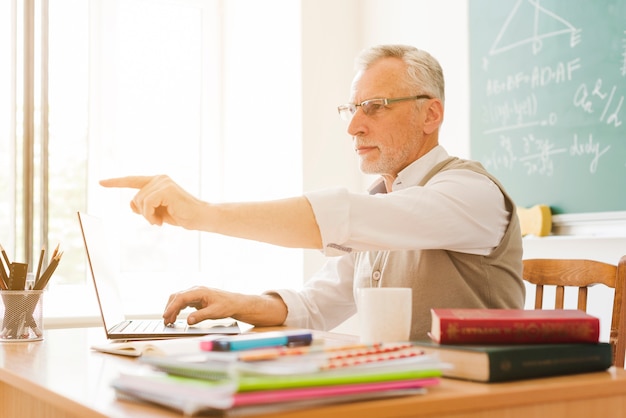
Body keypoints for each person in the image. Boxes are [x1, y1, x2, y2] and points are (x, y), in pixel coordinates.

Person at [100, 44, 525, 340]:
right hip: (407, 391)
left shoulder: (470, 193)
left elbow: (342, 215)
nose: (353, 126)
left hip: (475, 401)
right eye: (352, 109)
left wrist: (203, 213)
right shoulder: (383, 202)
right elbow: (318, 304)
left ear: (430, 113)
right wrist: (236, 303)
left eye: (375, 106)